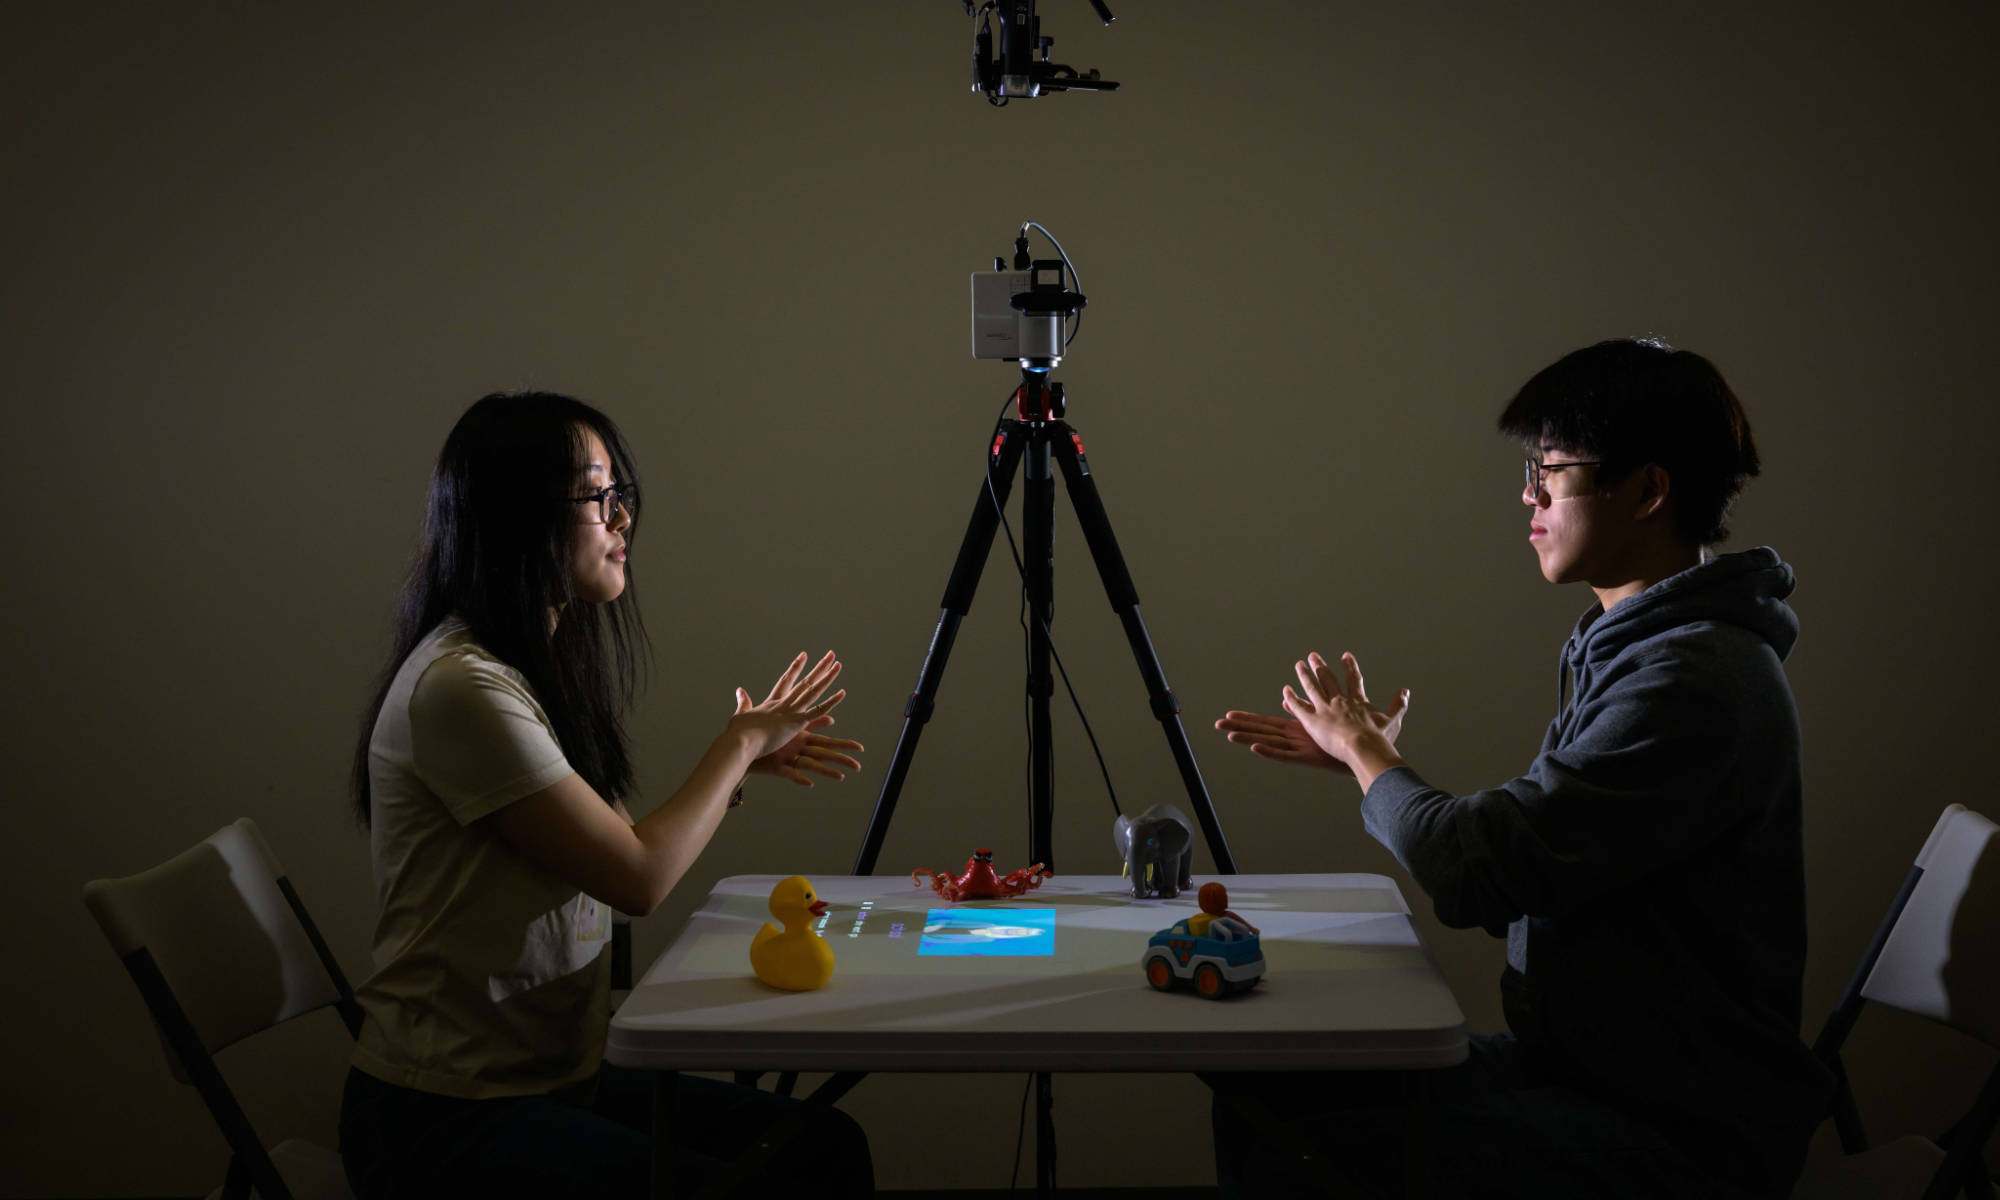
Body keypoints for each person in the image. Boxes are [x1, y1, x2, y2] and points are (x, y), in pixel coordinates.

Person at [1210, 339, 1833, 1198]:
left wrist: (1369, 753)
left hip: (1670, 1128)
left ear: (1648, 490)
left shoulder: (1691, 679)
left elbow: (1481, 873)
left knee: (1298, 1154)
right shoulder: (1634, 646)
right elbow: (1525, 854)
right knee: (1263, 1089)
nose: (1529, 494)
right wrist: (1368, 762)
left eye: (1553, 469)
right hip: (1580, 1071)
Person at [338, 391, 874, 1199]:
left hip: (553, 1077)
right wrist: (735, 746)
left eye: (620, 496)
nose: (622, 521)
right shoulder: (463, 688)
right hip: (447, 1114)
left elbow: (615, 848)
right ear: (519, 517)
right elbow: (637, 878)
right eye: (597, 496)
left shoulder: (525, 667)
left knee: (822, 1147)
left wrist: (736, 772)